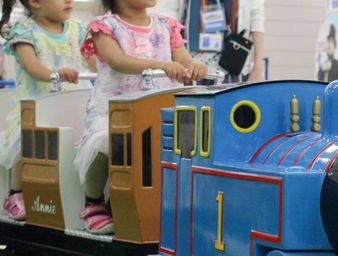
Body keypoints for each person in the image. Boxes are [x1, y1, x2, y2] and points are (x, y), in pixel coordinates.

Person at [75, 0, 207, 235]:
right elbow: (117, 60)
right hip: (116, 108)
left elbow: (183, 58)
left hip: (160, 106)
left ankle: (176, 201)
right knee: (104, 142)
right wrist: (160, 65)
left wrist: (194, 66)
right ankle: (93, 201)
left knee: (187, 142)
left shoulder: (166, 25)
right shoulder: (104, 27)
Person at [0, 0, 92, 221]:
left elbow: (94, 61)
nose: (69, 0)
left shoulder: (77, 29)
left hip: (74, 102)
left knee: (94, 134)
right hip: (36, 103)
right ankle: (15, 193)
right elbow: (31, 66)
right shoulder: (24, 31)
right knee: (24, 135)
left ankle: (90, 196)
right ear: (35, 2)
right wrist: (55, 74)